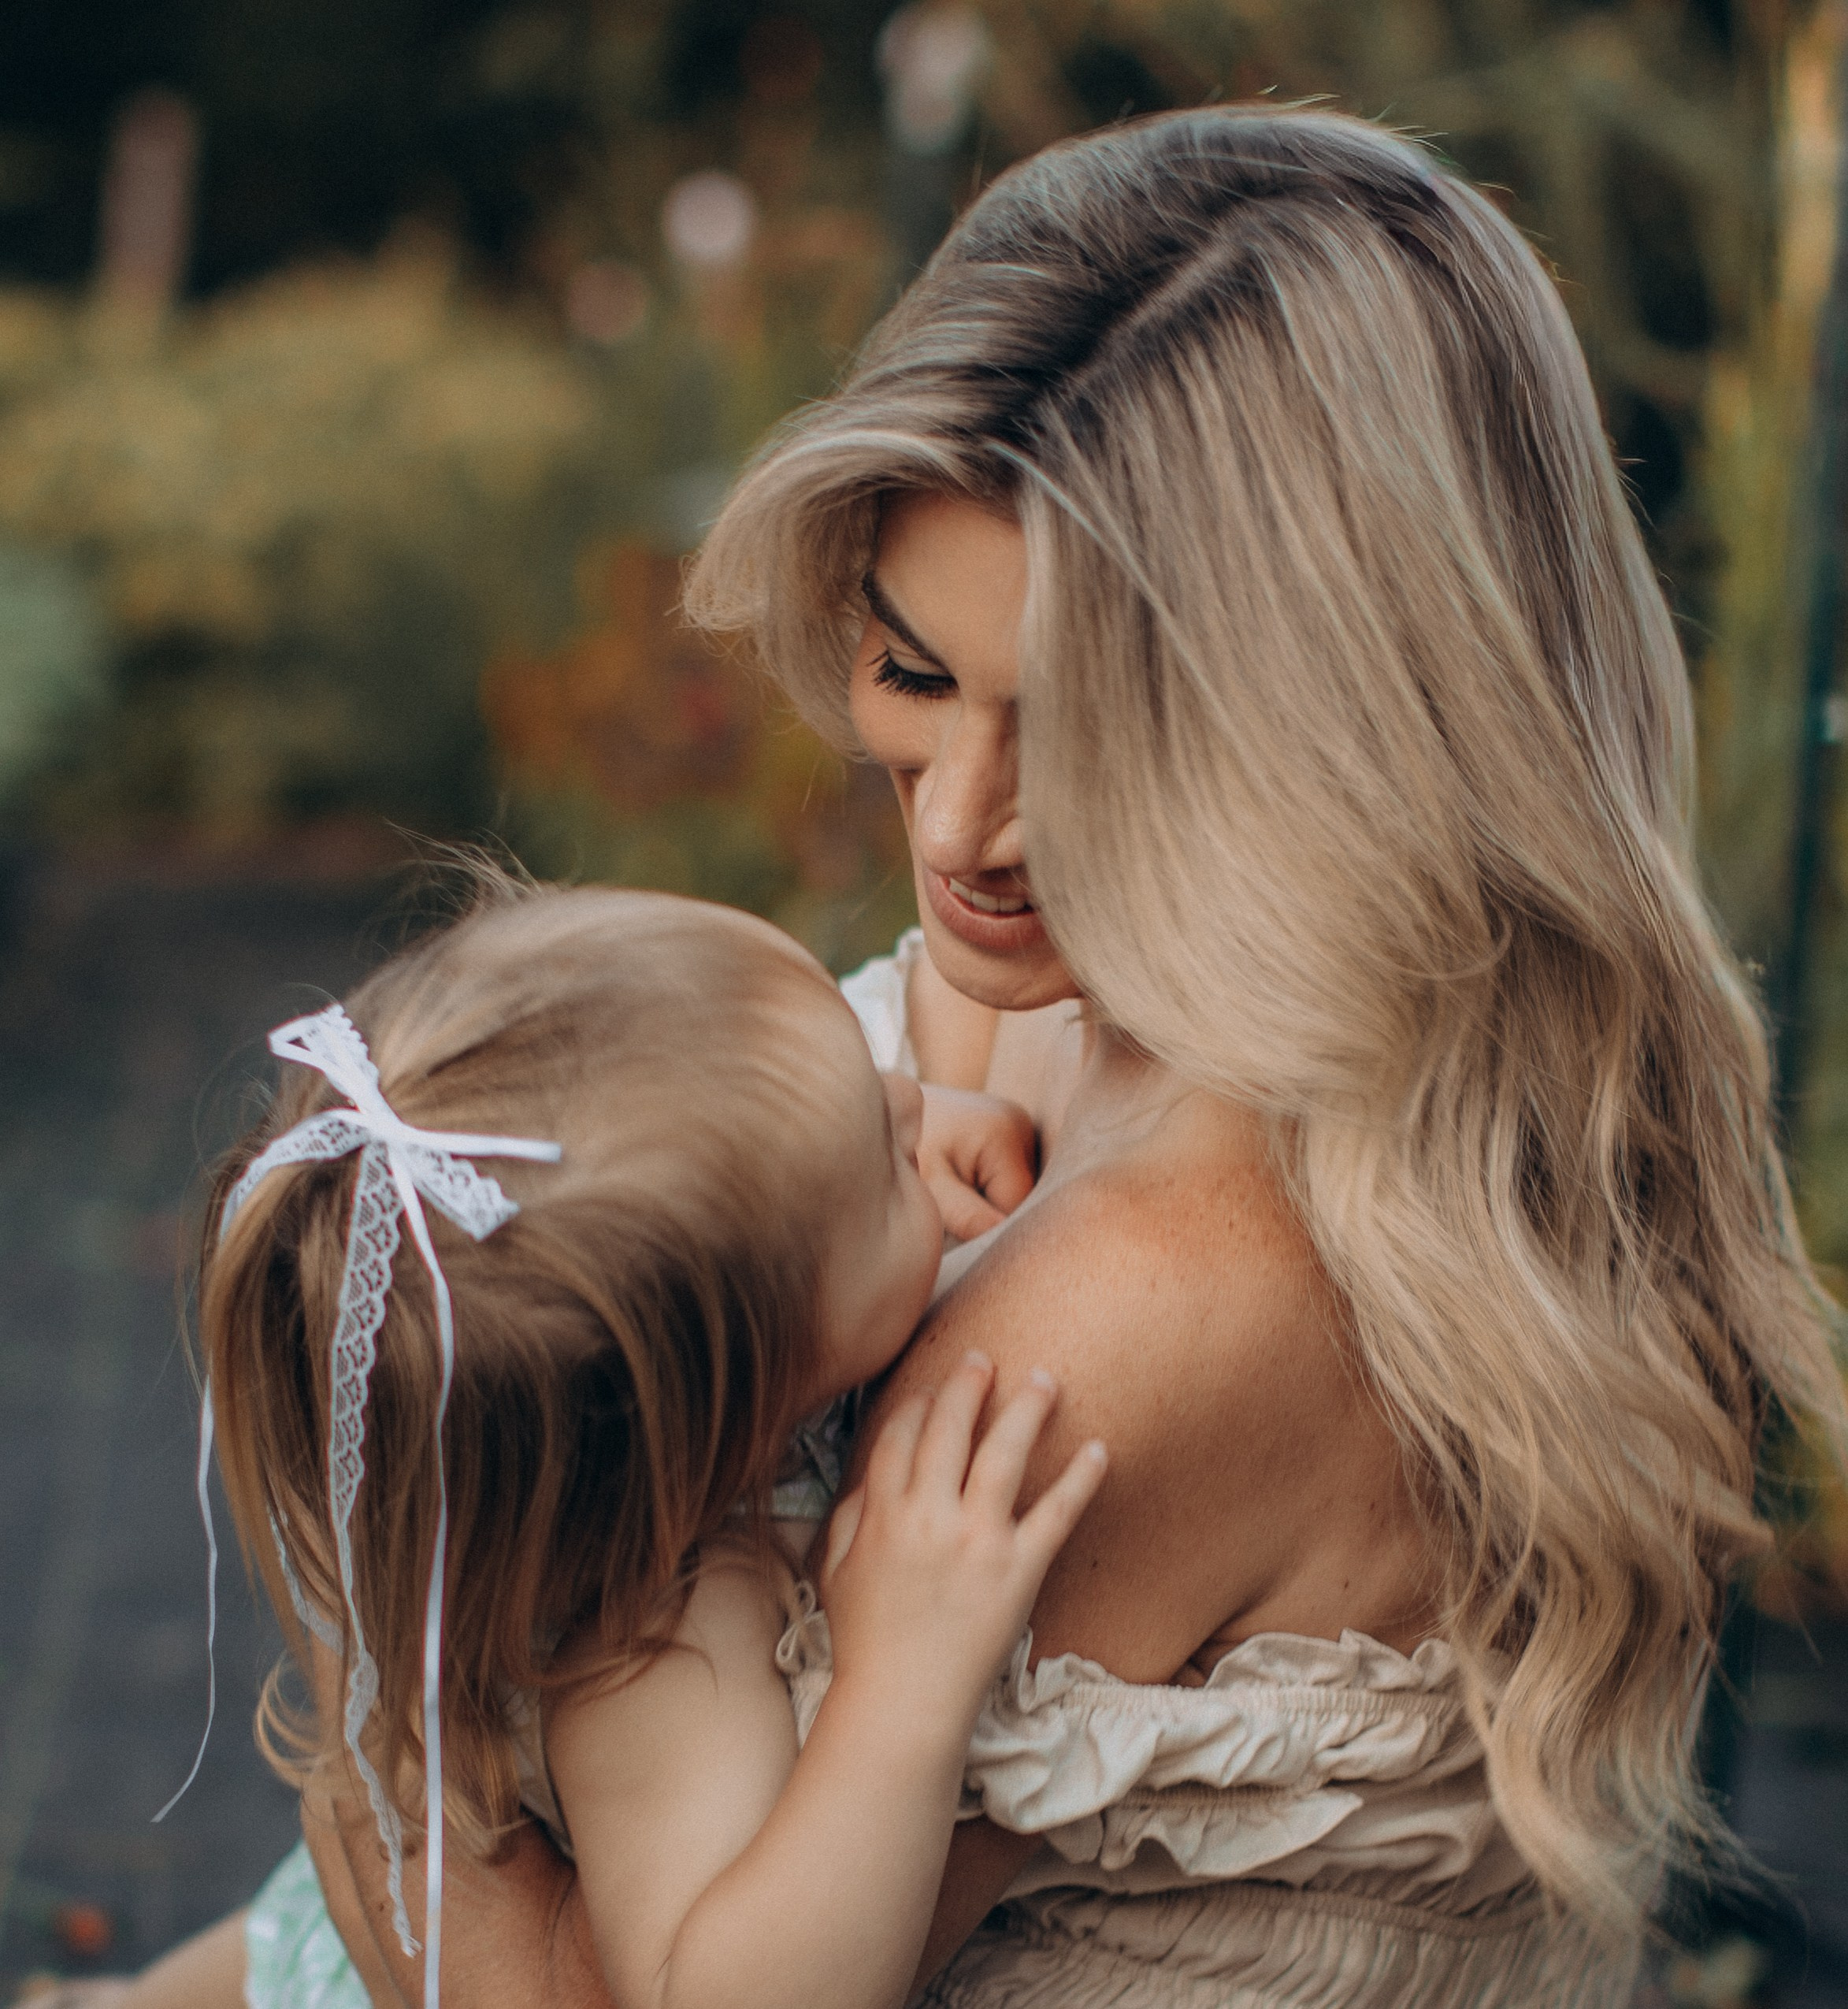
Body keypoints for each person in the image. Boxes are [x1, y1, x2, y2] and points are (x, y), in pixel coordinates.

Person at [307, 105, 1848, 2008]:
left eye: (1098, 734)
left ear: (1375, 720)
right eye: (913, 671)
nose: (958, 834)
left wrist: (365, 1770)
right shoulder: (1098, 995)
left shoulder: (1125, 1322)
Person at [53, 882, 1105, 2009]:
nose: (912, 1098)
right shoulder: (656, 1651)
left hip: (303, 1933)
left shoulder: (507, 1444)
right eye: (885, 1161)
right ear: (732, 1410)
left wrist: (889, 1163)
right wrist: (904, 1688)